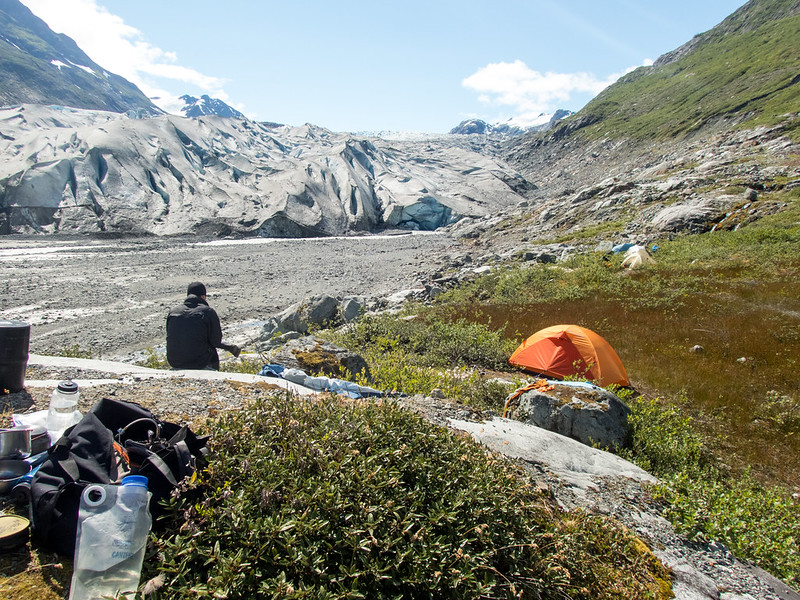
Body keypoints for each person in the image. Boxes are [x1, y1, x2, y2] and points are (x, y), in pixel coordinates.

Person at [166, 281, 241, 370]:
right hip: (198, 363)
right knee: (212, 350)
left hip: (175, 362)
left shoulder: (173, 311)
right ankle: (213, 376)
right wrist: (229, 347)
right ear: (203, 296)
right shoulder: (207, 312)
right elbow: (216, 341)